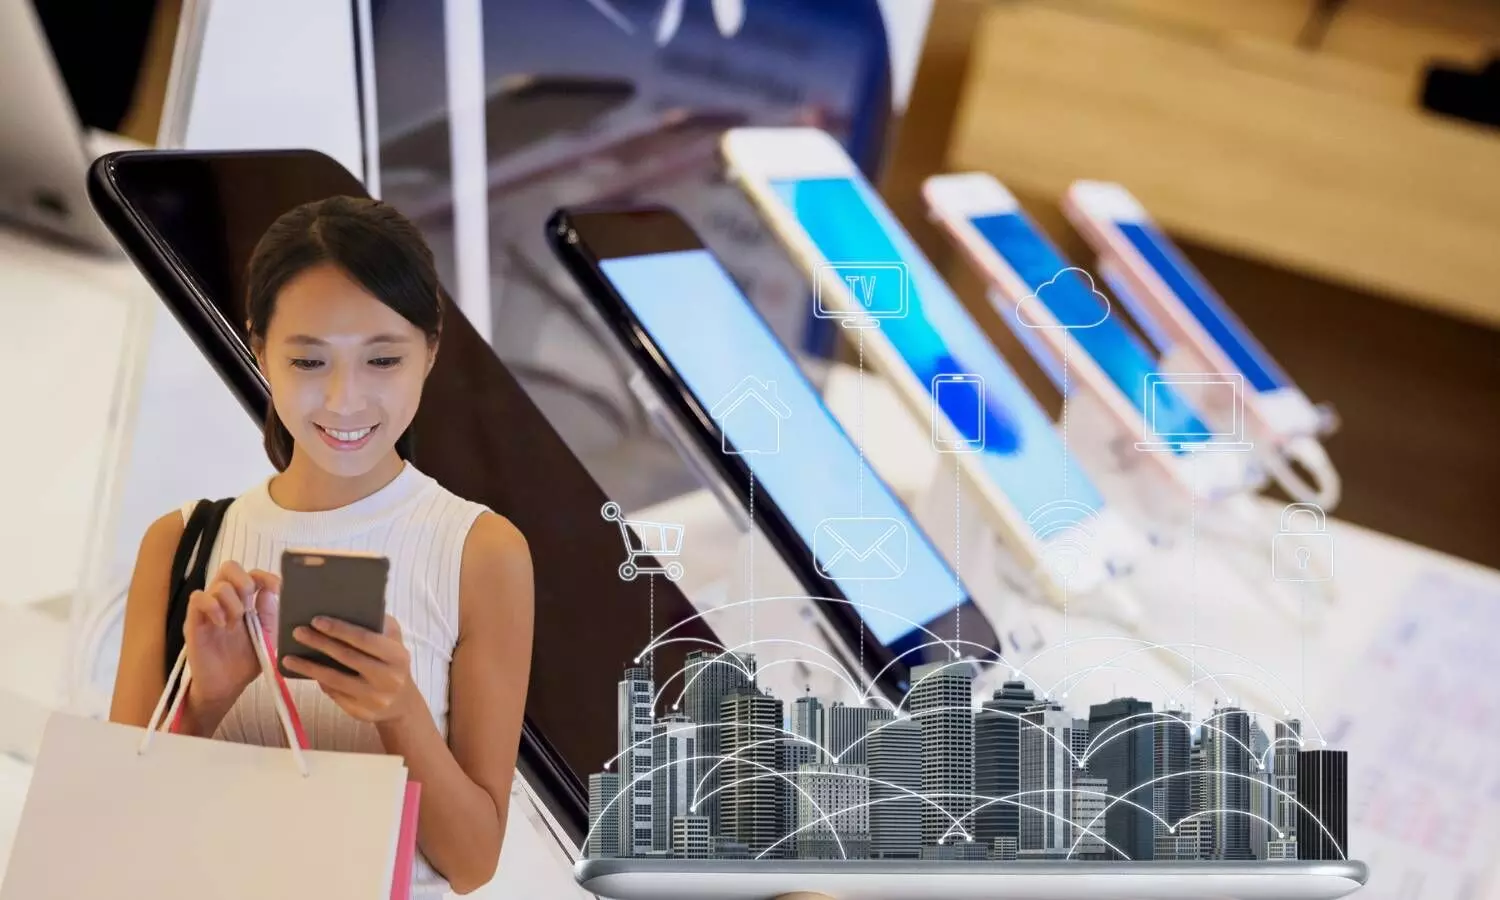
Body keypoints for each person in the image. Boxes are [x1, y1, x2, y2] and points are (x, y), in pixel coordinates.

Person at [109, 196, 535, 897]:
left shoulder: (480, 552)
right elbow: (114, 824)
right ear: (260, 353)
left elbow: (471, 863)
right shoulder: (183, 544)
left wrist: (401, 714)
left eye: (382, 359)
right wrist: (206, 699)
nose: (344, 399)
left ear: (430, 352)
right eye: (309, 360)